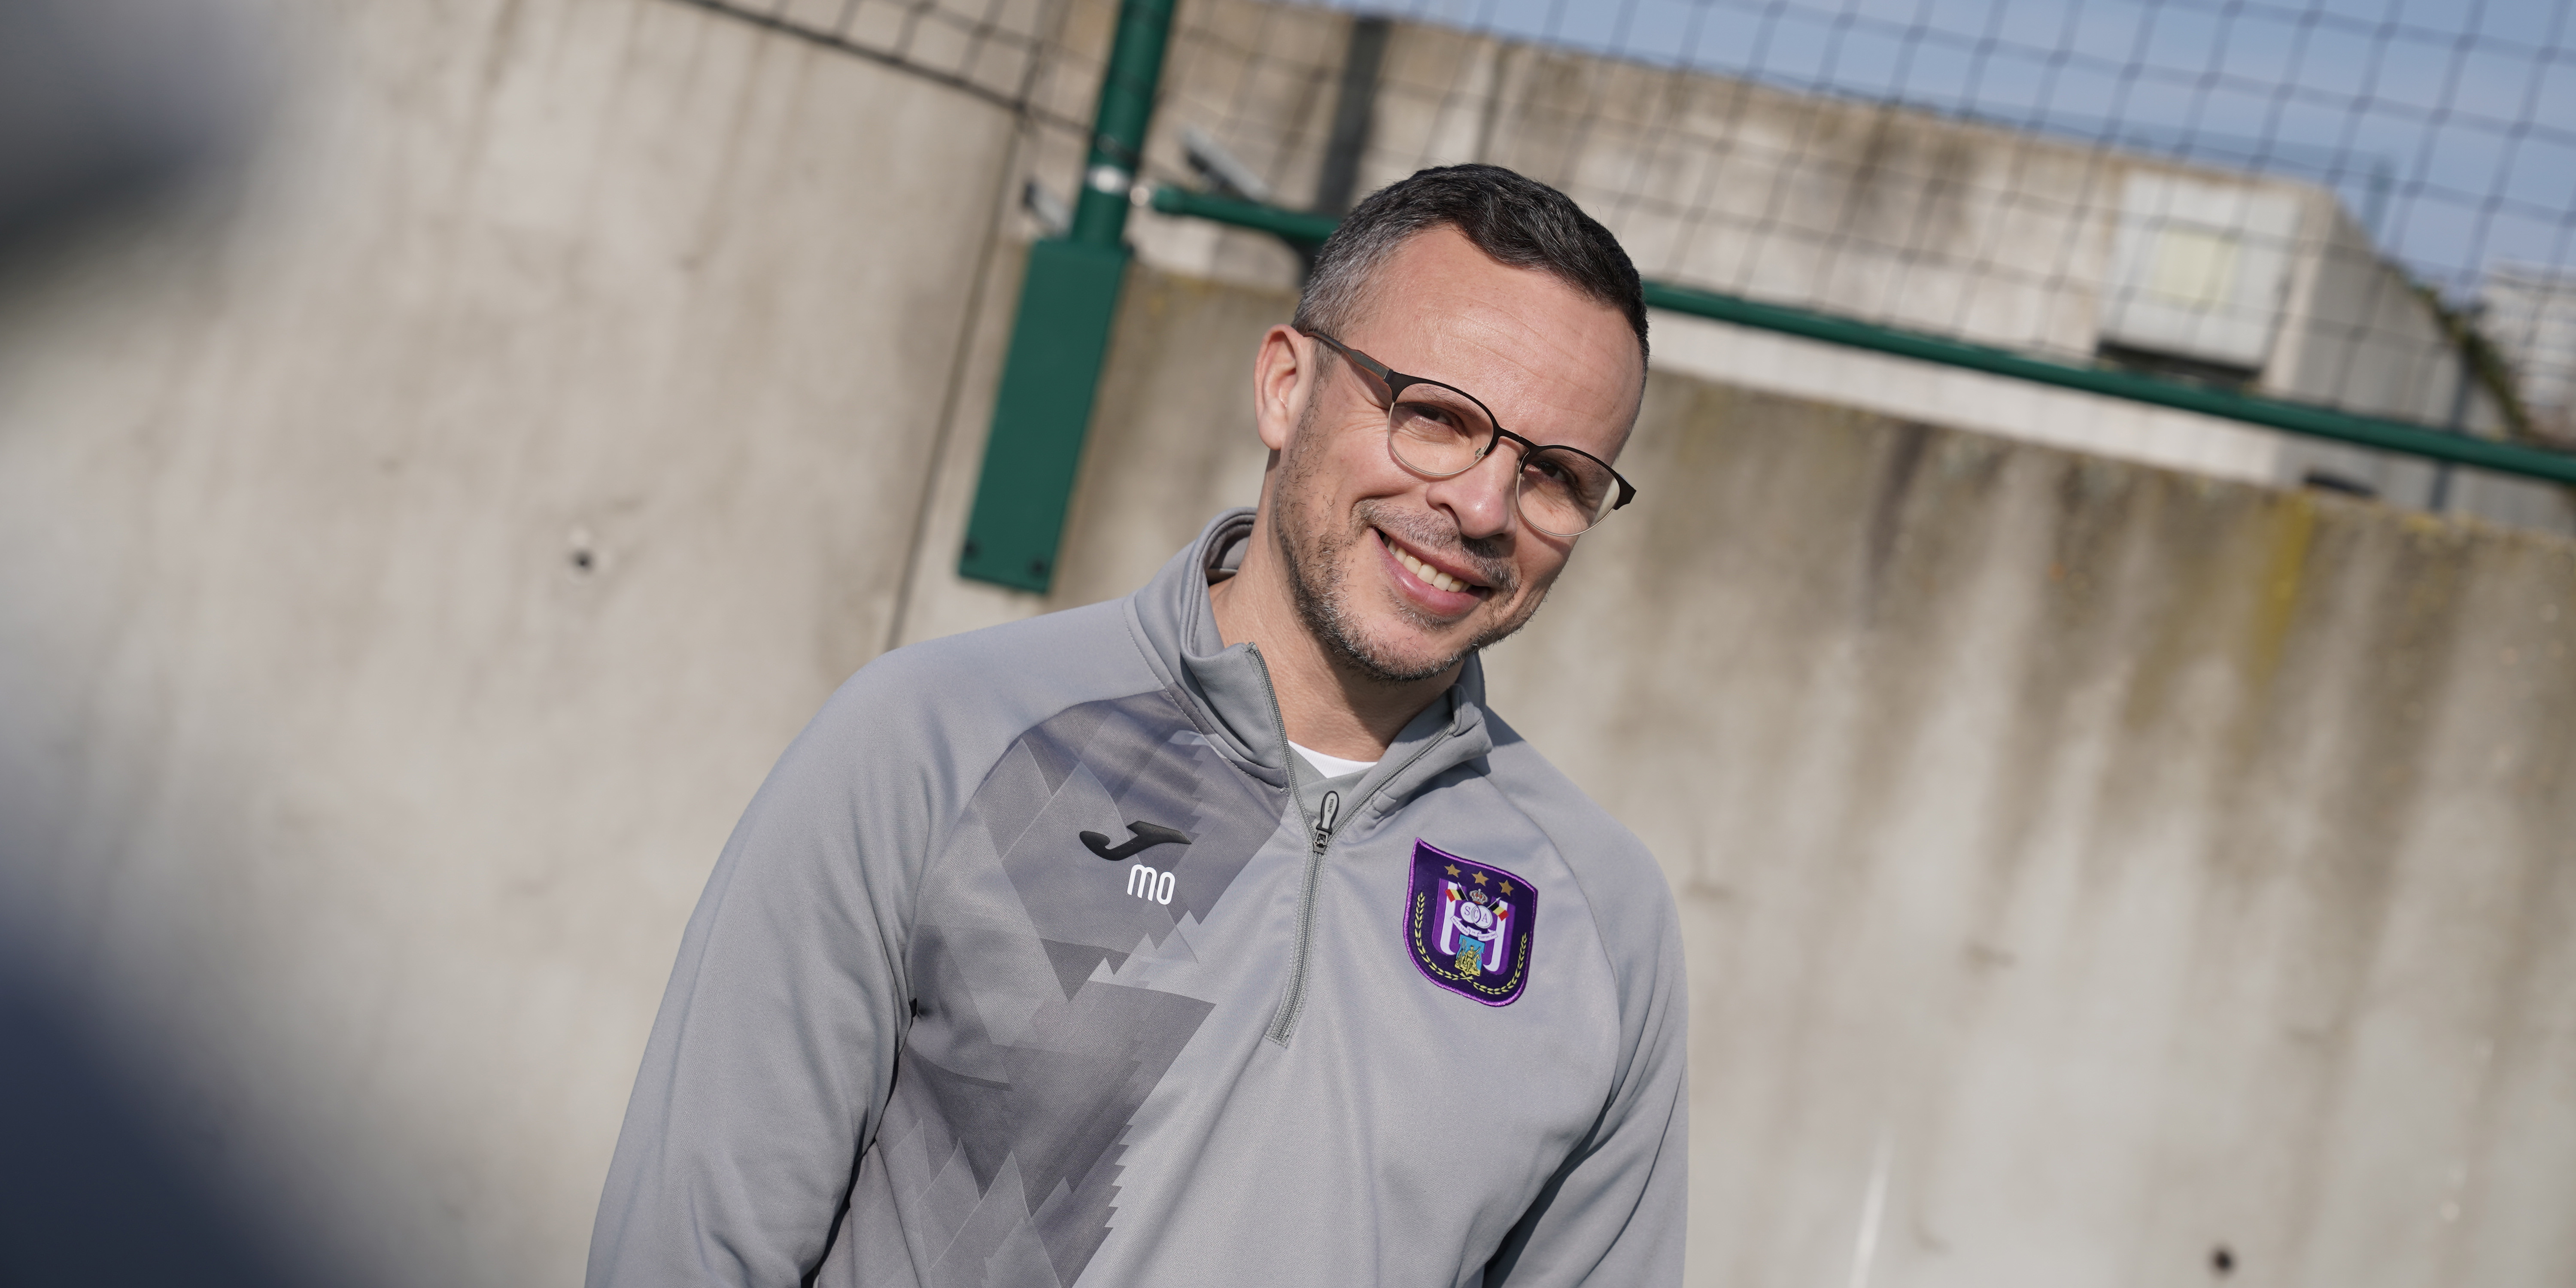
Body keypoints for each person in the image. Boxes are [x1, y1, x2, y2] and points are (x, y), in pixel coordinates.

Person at [588, 164, 1686, 1288]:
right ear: (1285, 386)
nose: (1484, 507)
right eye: (1437, 418)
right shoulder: (938, 742)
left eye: (1558, 476)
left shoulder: (1601, 924)